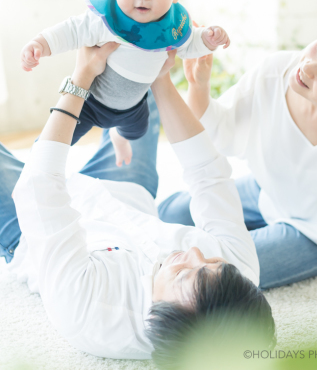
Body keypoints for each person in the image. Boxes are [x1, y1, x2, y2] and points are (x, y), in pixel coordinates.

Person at [1, 43, 275, 362]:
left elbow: (40, 186)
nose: (196, 253)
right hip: (126, 188)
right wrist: (160, 79)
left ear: (161, 318)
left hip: (26, 223)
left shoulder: (89, 312)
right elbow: (209, 175)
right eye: (213, 263)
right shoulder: (236, 276)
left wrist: (82, 77)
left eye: (185, 274)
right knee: (139, 66)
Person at [158, 23, 317, 305]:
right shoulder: (275, 71)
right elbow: (220, 132)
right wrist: (199, 86)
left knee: (223, 268)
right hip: (267, 192)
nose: (308, 67)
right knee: (170, 212)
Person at [20, 0, 230, 167]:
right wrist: (40, 45)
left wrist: (208, 38)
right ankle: (37, 158)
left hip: (134, 108)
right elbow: (71, 31)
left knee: (138, 131)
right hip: (90, 101)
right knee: (61, 138)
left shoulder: (171, 27)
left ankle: (118, 136)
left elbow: (189, 45)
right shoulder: (106, 20)